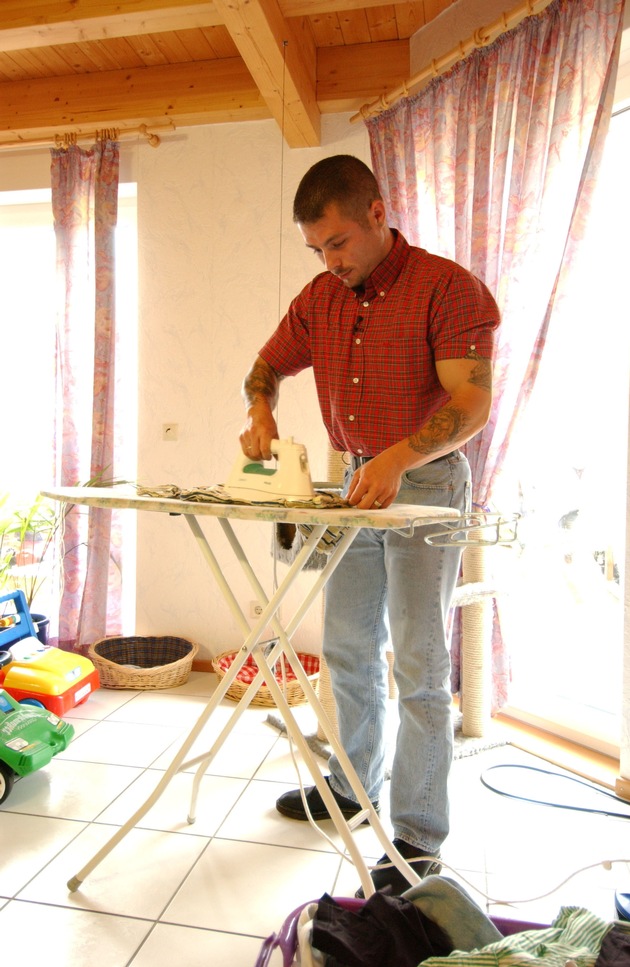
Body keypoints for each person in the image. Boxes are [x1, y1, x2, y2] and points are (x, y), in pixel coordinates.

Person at [239, 154, 500, 896]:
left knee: (418, 662)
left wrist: (396, 457)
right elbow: (266, 365)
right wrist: (260, 406)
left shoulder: (448, 289)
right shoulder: (321, 296)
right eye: (318, 248)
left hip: (425, 483)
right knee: (350, 643)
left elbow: (471, 405)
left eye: (339, 243)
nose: (331, 261)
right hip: (355, 481)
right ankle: (353, 784)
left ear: (378, 212)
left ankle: (418, 835)